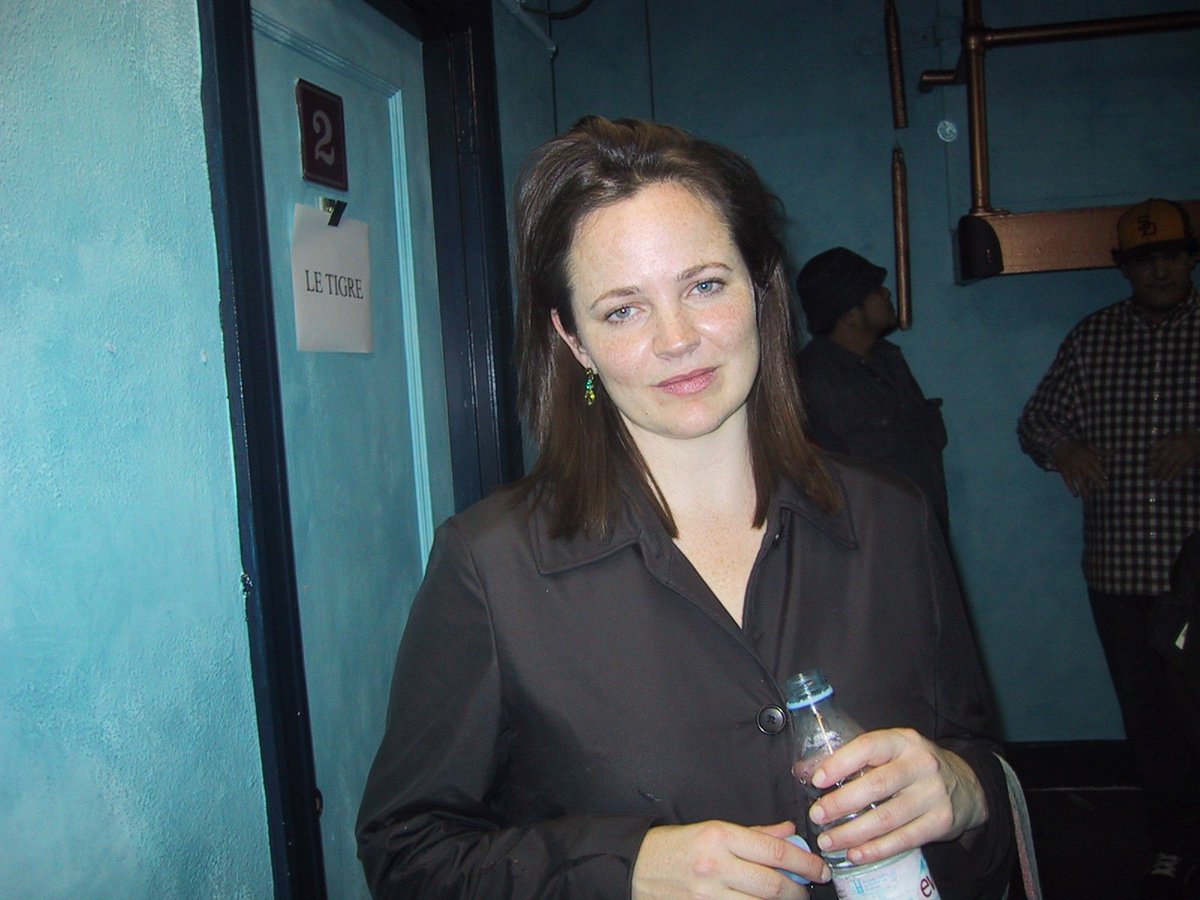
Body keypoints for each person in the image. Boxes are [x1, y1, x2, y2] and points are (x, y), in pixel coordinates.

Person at [356, 116, 1014, 899]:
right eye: (623, 310)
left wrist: (969, 792)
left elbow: (976, 756)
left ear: (761, 288)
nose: (677, 339)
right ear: (574, 340)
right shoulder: (491, 567)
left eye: (705, 286)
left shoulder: (891, 519)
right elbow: (409, 854)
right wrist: (623, 870)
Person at [1018, 197, 1200, 897]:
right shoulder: (1094, 338)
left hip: (1196, 574)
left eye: (1171, 256)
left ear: (1190, 258)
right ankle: (1174, 843)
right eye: (1145, 260)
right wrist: (1064, 448)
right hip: (1120, 571)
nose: (1160, 270)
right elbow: (1036, 422)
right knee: (1151, 722)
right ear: (1125, 267)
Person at [794, 248, 950, 536]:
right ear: (850, 314)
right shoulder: (812, 382)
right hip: (875, 546)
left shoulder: (888, 360)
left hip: (924, 536)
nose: (887, 294)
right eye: (875, 291)